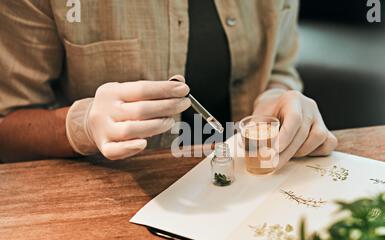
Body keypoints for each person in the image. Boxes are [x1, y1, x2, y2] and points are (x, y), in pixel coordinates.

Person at [0, 0, 337, 168]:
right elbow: (7, 129)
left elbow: (279, 63)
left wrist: (278, 94)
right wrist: (79, 126)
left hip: (248, 186)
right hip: (112, 199)